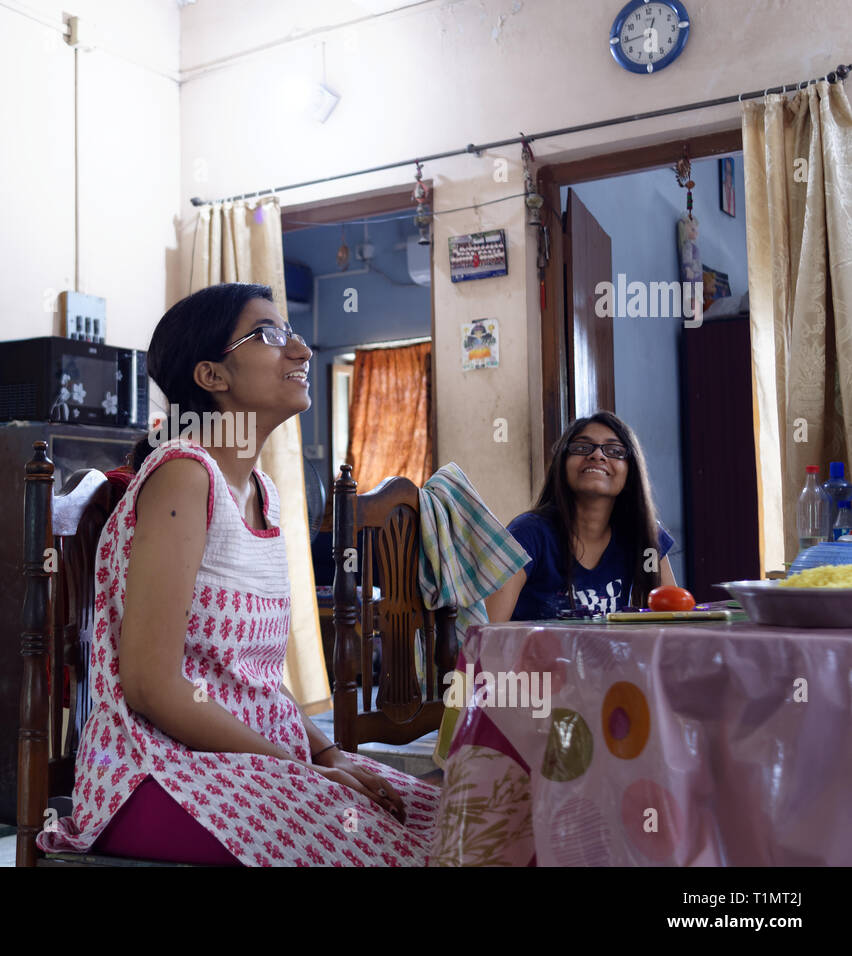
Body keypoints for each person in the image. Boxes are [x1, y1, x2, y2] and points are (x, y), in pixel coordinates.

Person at [37, 283, 441, 866]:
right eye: (272, 336)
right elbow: (150, 686)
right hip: (157, 773)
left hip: (246, 760)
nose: (300, 351)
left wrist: (326, 755)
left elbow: (258, 680)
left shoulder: (264, 495)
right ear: (212, 376)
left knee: (442, 815)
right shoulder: (184, 477)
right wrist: (297, 769)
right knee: (382, 843)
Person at [485, 411, 675, 622]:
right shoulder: (527, 535)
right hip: (533, 656)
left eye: (613, 450)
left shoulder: (644, 536)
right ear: (562, 464)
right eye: (582, 447)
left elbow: (675, 621)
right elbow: (486, 633)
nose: (597, 455)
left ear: (631, 471)